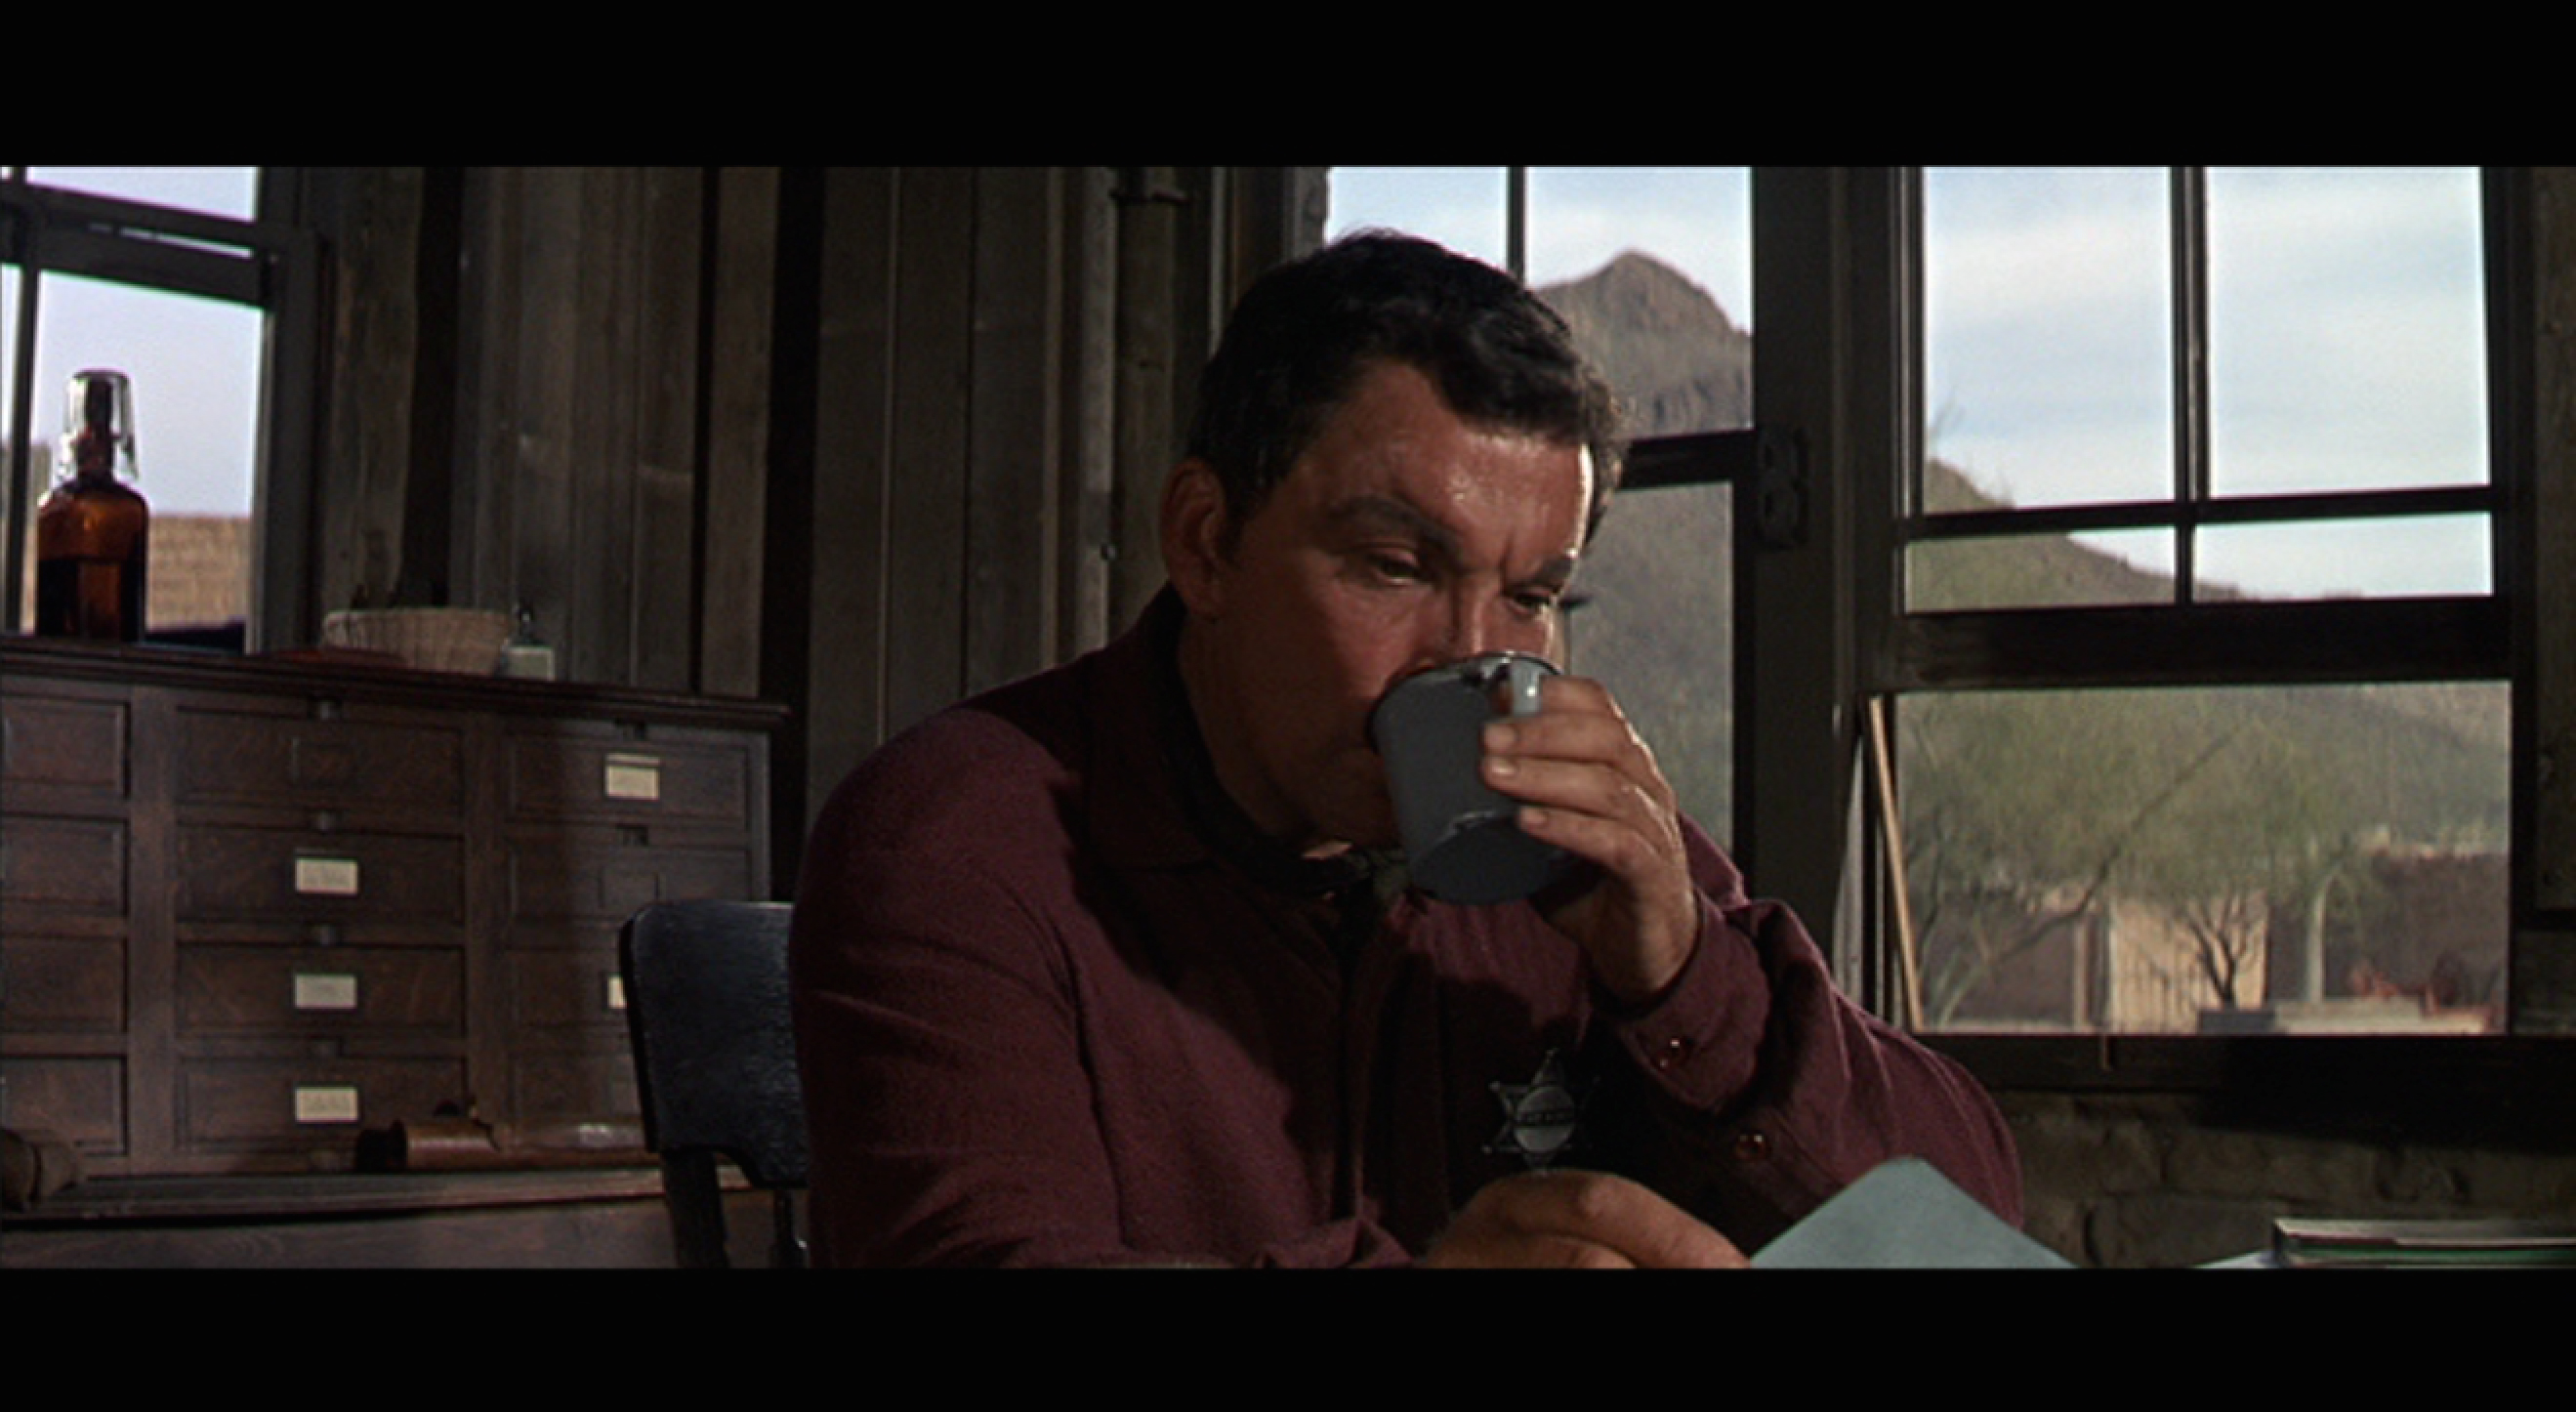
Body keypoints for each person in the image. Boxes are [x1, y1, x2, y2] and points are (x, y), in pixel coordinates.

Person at [789, 231, 2021, 1267]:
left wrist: (1689, 978)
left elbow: (1972, 1228)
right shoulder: (959, 839)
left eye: (1533, 597)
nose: (1471, 662)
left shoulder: (1573, 847)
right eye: (1394, 566)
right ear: (1205, 540)